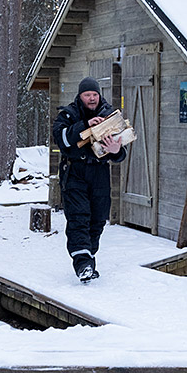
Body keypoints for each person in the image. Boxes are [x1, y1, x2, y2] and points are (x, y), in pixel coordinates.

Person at [53, 77, 127, 282]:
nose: (92, 98)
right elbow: (61, 139)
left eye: (95, 94)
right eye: (88, 95)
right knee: (78, 217)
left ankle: (88, 260)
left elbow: (121, 152)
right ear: (80, 96)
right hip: (75, 172)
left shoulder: (109, 114)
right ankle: (83, 263)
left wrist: (116, 150)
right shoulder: (69, 114)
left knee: (97, 219)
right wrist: (85, 125)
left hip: (99, 174)